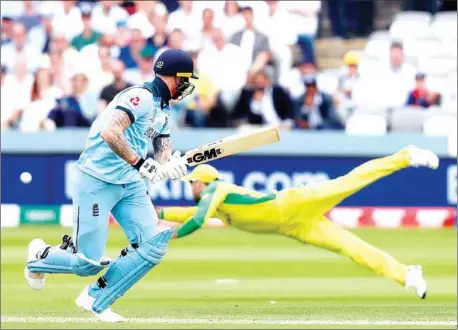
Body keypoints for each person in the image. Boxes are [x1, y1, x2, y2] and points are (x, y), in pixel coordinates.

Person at [24, 49, 199, 322]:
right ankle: (40, 256)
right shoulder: (139, 97)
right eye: (185, 79)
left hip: (129, 183)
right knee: (87, 263)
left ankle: (96, 298)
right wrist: (141, 163)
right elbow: (110, 132)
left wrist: (170, 166)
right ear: (174, 77)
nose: (187, 86)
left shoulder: (164, 110)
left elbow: (162, 152)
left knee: (152, 244)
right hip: (97, 179)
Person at [157, 146, 440, 299]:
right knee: (350, 247)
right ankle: (405, 274)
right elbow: (187, 213)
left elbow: (195, 221)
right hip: (293, 227)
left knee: (349, 182)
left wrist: (169, 236)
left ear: (201, 182)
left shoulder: (215, 191)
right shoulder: (217, 205)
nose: (189, 188)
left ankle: (405, 156)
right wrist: (156, 214)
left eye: (191, 183)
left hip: (293, 202)